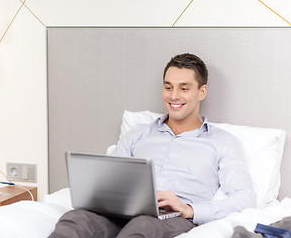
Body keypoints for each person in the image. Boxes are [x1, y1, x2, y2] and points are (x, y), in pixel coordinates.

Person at [49, 53, 256, 238]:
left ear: (201, 92)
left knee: (144, 227)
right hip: (120, 212)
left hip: (171, 219)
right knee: (75, 219)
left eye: (184, 88)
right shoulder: (138, 134)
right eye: (168, 87)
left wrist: (189, 209)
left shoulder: (222, 142)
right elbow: (110, 181)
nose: (174, 96)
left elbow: (245, 198)